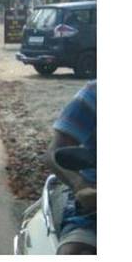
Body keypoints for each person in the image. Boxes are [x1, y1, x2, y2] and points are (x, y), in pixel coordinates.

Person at [47, 80, 96, 255]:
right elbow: (55, 152)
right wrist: (80, 185)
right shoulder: (94, 94)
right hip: (96, 208)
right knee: (73, 252)